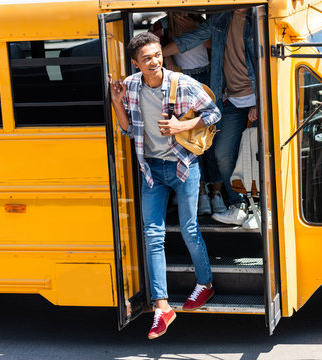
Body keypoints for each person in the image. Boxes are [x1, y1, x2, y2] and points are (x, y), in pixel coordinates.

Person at [109, 32, 221, 339]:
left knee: (189, 228)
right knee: (152, 235)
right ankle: (162, 307)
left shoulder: (182, 83)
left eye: (157, 55)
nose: (155, 61)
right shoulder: (131, 86)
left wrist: (182, 125)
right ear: (136, 64)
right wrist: (118, 103)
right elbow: (129, 130)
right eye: (147, 58)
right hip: (151, 170)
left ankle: (205, 283)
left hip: (183, 166)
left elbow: (214, 113)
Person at [163, 8, 258, 226]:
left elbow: (270, 62)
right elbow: (190, 40)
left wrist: (261, 101)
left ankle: (262, 209)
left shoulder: (260, 18)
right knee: (223, 154)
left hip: (257, 98)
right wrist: (161, 55)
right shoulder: (221, 19)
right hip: (231, 99)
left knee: (261, 156)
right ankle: (239, 206)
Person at [150, 12, 227, 216]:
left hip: (208, 74)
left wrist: (194, 32)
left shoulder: (200, 21)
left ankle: (217, 193)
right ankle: (201, 191)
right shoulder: (160, 27)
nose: (184, 10)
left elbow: (216, 45)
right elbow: (150, 53)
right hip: (182, 79)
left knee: (213, 135)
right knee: (191, 139)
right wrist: (168, 60)